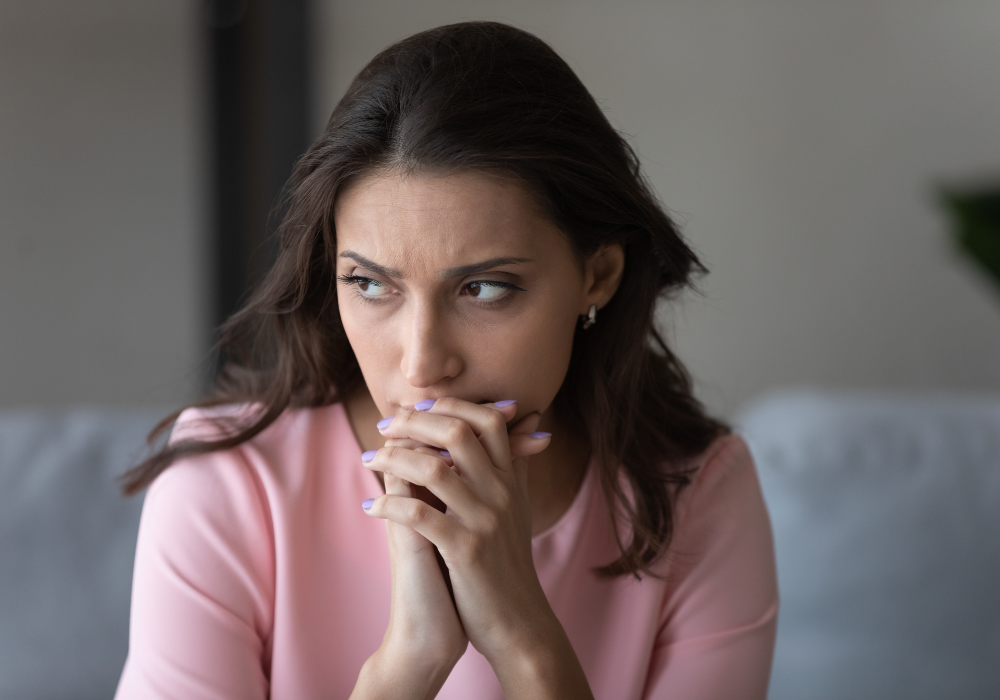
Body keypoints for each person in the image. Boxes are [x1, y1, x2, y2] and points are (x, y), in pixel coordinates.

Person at [114, 20, 777, 700]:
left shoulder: (697, 497)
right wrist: (409, 663)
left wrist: (524, 637)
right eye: (371, 285)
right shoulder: (224, 489)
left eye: (484, 289)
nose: (423, 364)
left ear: (598, 274)